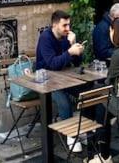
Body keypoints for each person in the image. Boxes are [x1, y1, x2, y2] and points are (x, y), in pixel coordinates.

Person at [36, 10, 85, 152]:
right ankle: (71, 135)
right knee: (64, 102)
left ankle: (87, 130)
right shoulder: (46, 38)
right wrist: (69, 52)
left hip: (65, 78)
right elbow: (52, 64)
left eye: (69, 25)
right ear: (55, 25)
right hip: (46, 81)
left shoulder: (66, 37)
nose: (68, 29)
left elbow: (76, 62)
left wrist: (75, 47)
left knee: (88, 92)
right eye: (64, 25)